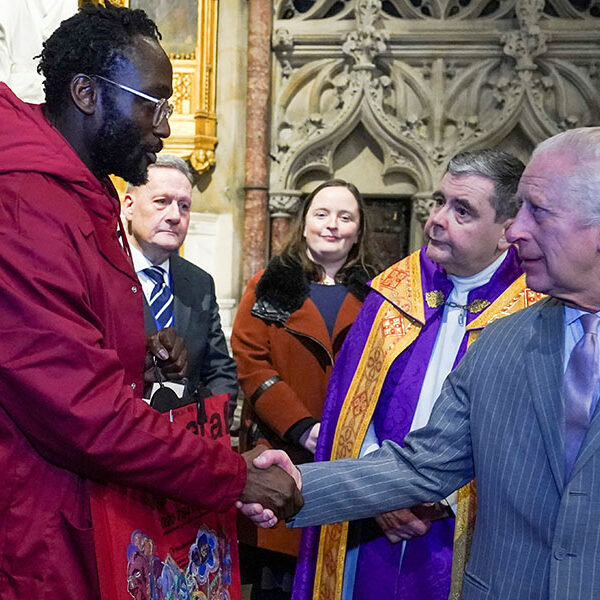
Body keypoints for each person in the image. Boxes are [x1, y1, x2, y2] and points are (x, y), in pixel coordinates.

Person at [0, 3, 300, 599]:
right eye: (153, 104)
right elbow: (83, 415)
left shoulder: (77, 189)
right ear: (87, 93)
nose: (164, 127)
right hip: (36, 529)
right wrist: (233, 476)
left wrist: (132, 347)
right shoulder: (25, 205)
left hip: (75, 511)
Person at [248, 126, 600, 600]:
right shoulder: (505, 339)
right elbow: (423, 465)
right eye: (440, 202)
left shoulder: (506, 311)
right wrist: (287, 483)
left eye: (536, 212)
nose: (518, 230)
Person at [291, 150, 543, 600]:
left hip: (470, 534)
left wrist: (439, 497)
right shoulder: (393, 292)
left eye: (461, 210)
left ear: (508, 231)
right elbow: (351, 413)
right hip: (373, 523)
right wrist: (382, 491)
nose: (437, 220)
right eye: (439, 201)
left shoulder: (532, 313)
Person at [231, 179, 378, 599]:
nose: (332, 225)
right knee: (280, 582)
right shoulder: (269, 285)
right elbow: (251, 363)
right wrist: (304, 428)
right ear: (304, 223)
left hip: (355, 459)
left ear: (358, 229)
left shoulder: (379, 295)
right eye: (322, 214)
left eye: (345, 217)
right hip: (284, 456)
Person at [122, 153, 238, 413]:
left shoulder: (200, 282)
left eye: (184, 205)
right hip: (122, 436)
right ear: (129, 206)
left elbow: (219, 368)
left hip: (190, 439)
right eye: (161, 202)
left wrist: (210, 422)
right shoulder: (103, 271)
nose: (175, 215)